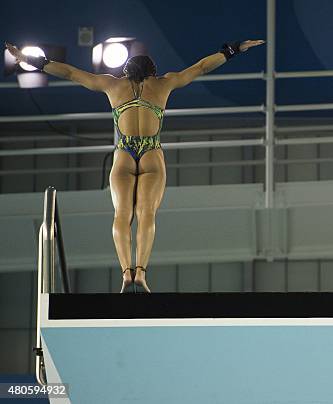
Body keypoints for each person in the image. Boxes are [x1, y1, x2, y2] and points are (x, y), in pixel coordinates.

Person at [6, 40, 265, 293]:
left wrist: (29, 60)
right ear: (152, 71)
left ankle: (125, 273)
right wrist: (233, 50)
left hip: (124, 154)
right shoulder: (164, 83)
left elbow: (70, 72)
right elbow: (201, 67)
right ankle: (141, 272)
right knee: (146, 214)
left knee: (122, 215)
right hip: (151, 151)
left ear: (126, 71)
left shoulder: (112, 84)